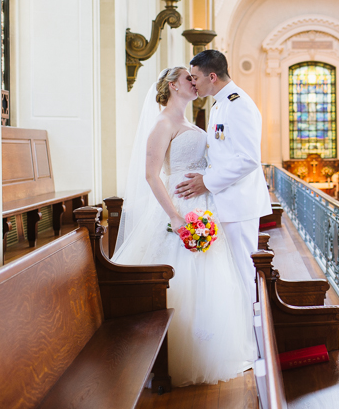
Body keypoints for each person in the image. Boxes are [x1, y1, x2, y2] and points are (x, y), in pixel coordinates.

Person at [112, 66, 255, 387]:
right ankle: (175, 354)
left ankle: (210, 349)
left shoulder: (188, 123)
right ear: (173, 86)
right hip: (178, 205)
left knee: (210, 275)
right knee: (182, 275)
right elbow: (151, 174)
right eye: (188, 79)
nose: (195, 83)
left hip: (203, 205)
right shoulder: (162, 123)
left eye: (196, 78)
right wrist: (176, 218)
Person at [176, 49, 272, 305]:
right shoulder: (221, 104)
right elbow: (222, 155)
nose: (193, 82)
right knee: (233, 274)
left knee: (243, 273)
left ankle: (254, 338)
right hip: (227, 200)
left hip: (239, 204)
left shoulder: (238, 104)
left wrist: (206, 182)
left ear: (213, 76)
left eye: (195, 77)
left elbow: (248, 159)